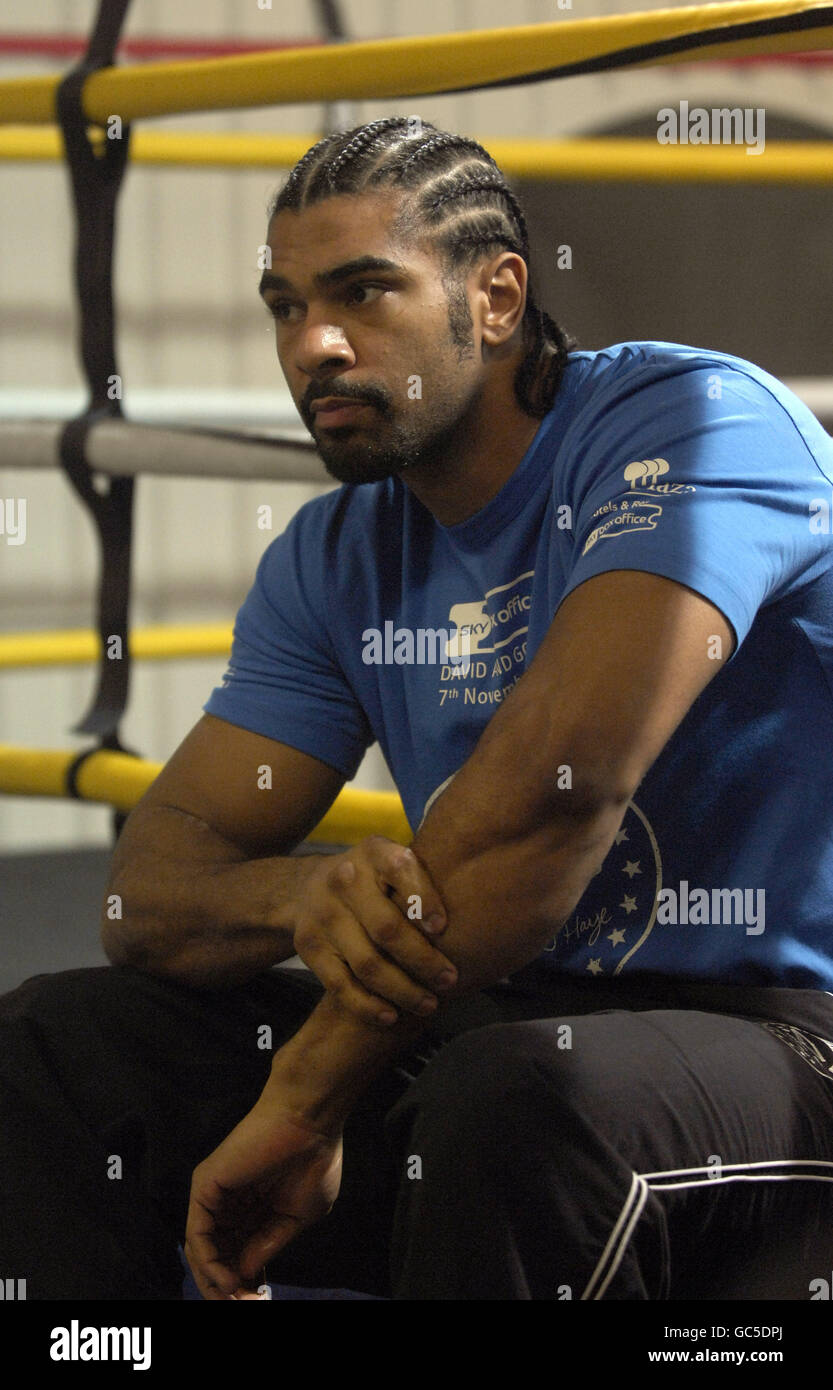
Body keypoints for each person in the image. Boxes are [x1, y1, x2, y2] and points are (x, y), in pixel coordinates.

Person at [3, 117, 833, 1302]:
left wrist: (301, 1099)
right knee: (65, 1046)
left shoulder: (695, 426)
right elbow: (151, 890)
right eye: (283, 305)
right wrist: (299, 890)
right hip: (491, 1025)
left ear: (496, 297)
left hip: (778, 1036)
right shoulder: (337, 552)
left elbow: (554, 799)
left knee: (514, 1096)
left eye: (361, 293)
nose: (313, 345)